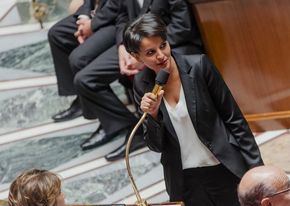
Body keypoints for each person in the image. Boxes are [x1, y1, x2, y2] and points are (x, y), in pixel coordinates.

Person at [124, 13, 263, 206]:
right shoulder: (143, 84)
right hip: (187, 182)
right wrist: (153, 116)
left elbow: (234, 119)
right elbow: (156, 146)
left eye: (163, 45)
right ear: (136, 56)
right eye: (150, 52)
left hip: (223, 169)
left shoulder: (198, 66)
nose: (161, 56)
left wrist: (258, 171)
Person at [73, 0, 204, 161]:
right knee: (84, 79)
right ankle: (133, 127)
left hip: (171, 45)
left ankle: (156, 127)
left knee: (140, 77)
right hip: (135, 46)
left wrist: (148, 53)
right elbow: (122, 17)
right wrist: (122, 46)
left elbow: (182, 26)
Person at [48, 0, 128, 150]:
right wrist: (84, 17)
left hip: (115, 19)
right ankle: (83, 99)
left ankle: (112, 121)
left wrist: (93, 24)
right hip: (96, 12)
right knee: (56, 34)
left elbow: (120, 6)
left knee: (79, 59)